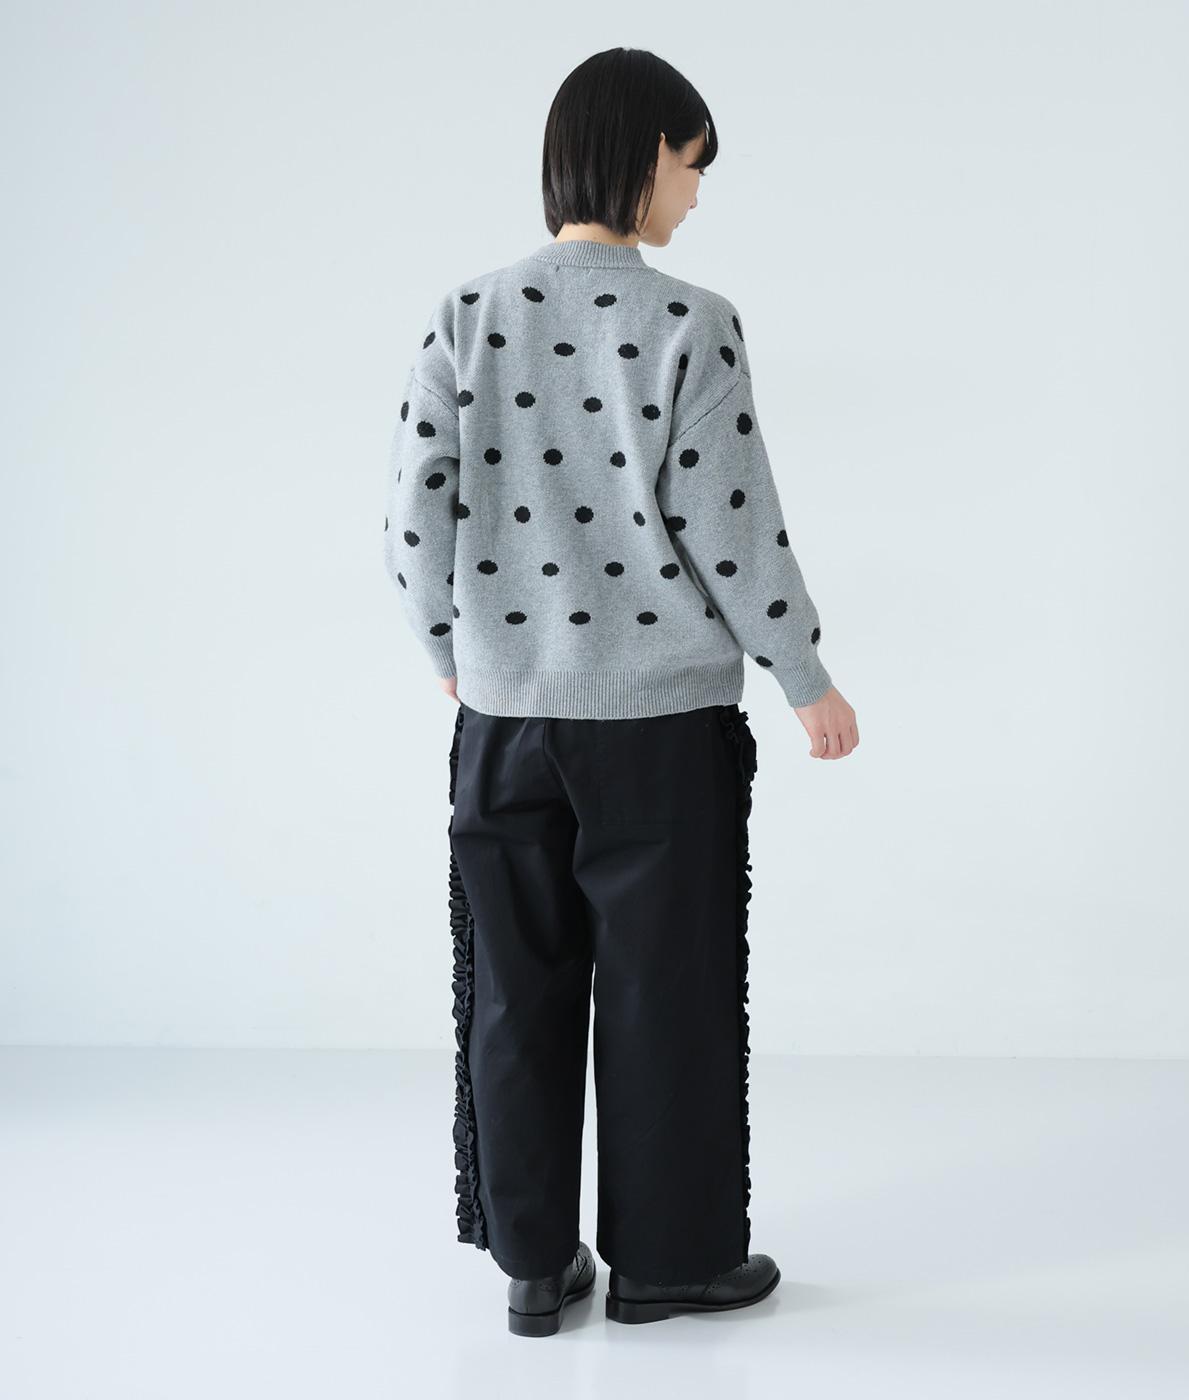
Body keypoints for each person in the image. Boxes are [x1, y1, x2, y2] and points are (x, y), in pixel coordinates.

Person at [382, 46, 859, 1337]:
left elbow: (415, 518)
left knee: (513, 988)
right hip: (661, 727)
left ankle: (535, 1267)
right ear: (645, 155)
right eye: (692, 166)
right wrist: (804, 675)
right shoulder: (692, 322)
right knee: (667, 992)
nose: (697, 194)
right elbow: (734, 526)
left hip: (505, 721)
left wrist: (450, 652)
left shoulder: (467, 312)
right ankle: (669, 1259)